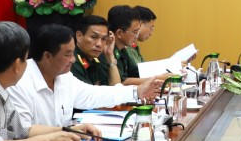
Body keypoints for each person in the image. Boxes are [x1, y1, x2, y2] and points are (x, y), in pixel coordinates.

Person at [10, 24, 158, 131]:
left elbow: (93, 94)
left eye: (73, 53)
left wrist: (137, 91)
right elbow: (23, 131)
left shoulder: (64, 77)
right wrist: (66, 132)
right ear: (47, 56)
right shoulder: (19, 82)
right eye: (68, 55)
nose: (73, 60)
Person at [107, 5, 167, 86]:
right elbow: (122, 83)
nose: (136, 36)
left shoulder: (122, 50)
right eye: (135, 32)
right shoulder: (108, 51)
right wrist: (159, 78)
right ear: (119, 33)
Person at [69, 15, 120, 86]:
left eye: (103, 39)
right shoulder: (71, 61)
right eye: (94, 37)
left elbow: (116, 88)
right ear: (79, 36)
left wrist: (110, 56)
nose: (99, 44)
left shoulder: (98, 59)